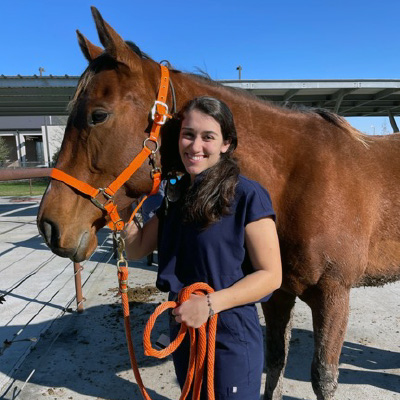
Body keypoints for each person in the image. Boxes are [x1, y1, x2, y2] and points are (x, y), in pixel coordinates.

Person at [122, 96, 282, 399]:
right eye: (188, 134)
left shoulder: (247, 195)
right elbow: (137, 249)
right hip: (184, 328)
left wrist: (208, 306)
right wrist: (122, 216)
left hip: (228, 332)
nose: (195, 146)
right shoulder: (177, 196)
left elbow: (271, 275)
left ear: (226, 144)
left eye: (208, 137)